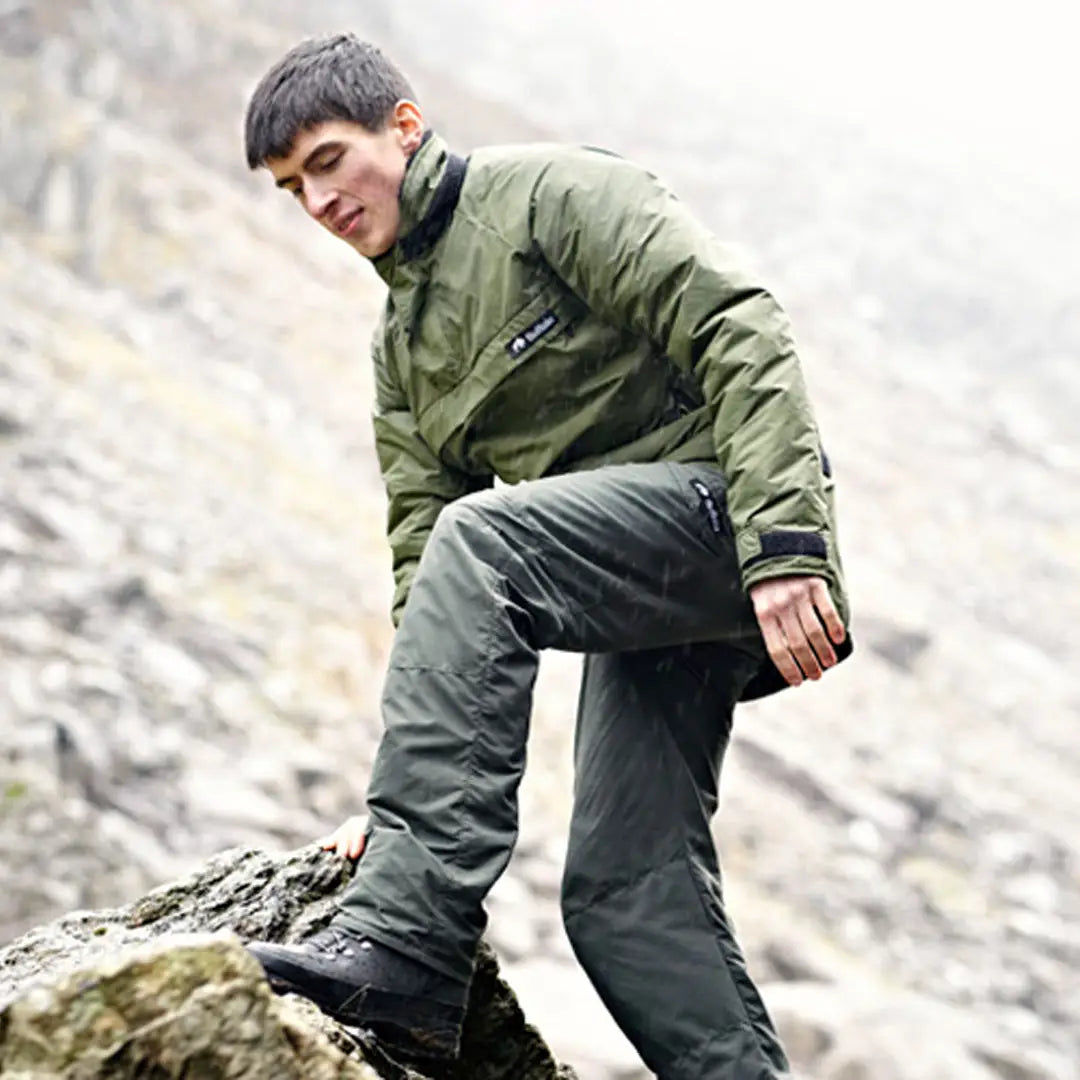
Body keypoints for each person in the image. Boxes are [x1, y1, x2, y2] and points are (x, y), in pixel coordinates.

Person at [242, 31, 852, 1080]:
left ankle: (404, 952)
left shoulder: (548, 195)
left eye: (329, 161)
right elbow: (425, 579)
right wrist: (402, 801)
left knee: (486, 544)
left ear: (403, 126)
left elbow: (738, 325)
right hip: (637, 588)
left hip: (728, 515)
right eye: (294, 188)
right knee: (621, 894)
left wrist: (786, 545)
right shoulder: (401, 358)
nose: (319, 204)